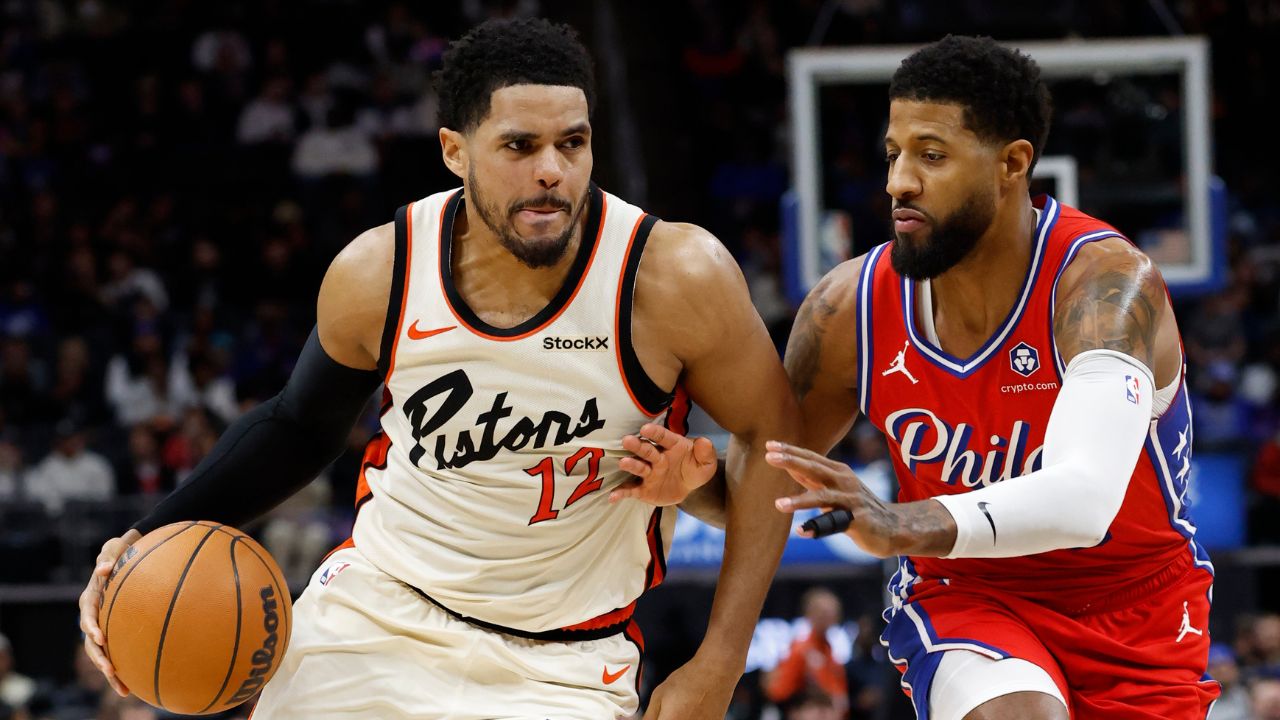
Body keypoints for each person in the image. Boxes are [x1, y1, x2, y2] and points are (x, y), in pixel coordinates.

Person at [77, 18, 799, 720]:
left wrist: (721, 659)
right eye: (520, 145)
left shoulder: (673, 276)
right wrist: (143, 538)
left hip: (564, 660)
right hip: (376, 614)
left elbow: (779, 445)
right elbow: (298, 426)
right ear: (455, 150)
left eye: (572, 142)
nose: (552, 169)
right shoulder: (381, 271)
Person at [627, 35, 1218, 720]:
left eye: (931, 156)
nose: (898, 181)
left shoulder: (1107, 287)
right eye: (893, 154)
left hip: (1138, 606)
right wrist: (697, 490)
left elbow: (1082, 502)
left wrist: (899, 521)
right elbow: (769, 495)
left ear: (1013, 164)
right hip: (968, 594)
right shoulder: (849, 309)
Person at [764, 587, 848, 716]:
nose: (829, 619)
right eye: (823, 614)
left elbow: (839, 694)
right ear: (810, 614)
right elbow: (779, 692)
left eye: (833, 614)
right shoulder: (801, 650)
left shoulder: (829, 650)